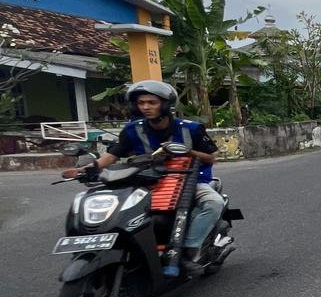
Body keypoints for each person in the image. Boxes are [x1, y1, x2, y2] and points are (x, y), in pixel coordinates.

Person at [63, 80, 223, 271]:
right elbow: (112, 155)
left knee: (214, 203)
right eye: (141, 103)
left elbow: (211, 157)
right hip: (146, 180)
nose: (145, 107)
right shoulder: (133, 129)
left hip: (190, 180)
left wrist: (188, 152)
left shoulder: (192, 128)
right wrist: (89, 168)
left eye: (151, 102)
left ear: (165, 104)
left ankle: (189, 249)